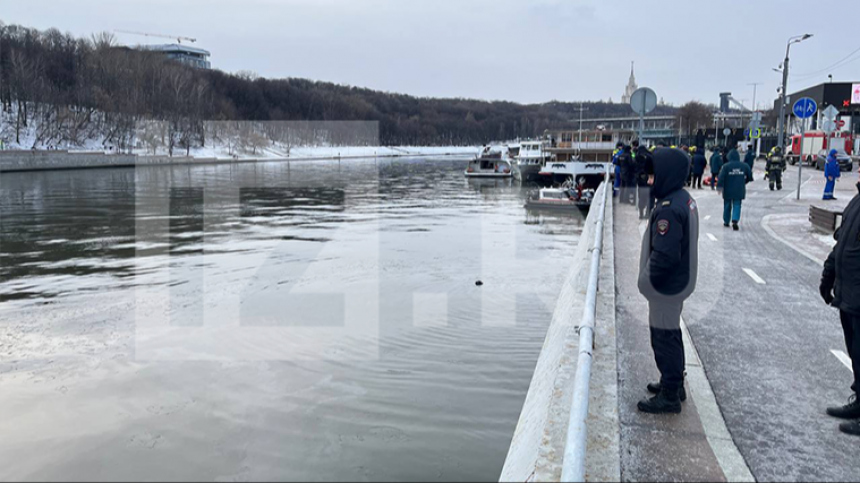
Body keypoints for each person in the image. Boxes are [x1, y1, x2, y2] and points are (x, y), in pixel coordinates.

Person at [637, 148, 699, 414]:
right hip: (678, 284)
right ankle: (673, 382)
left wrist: (646, 283)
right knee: (671, 334)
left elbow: (664, 254)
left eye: (653, 175)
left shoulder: (668, 210)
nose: (650, 181)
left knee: (663, 338)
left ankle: (670, 395)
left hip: (666, 287)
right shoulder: (683, 199)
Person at [821, 180, 860, 436]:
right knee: (856, 350)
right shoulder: (856, 201)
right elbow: (841, 242)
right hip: (849, 294)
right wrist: (829, 273)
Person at [717, 149, 753, 231]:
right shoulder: (744, 166)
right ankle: (735, 220)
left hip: (728, 189)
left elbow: (721, 177)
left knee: (727, 205)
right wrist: (744, 181)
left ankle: (726, 221)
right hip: (739, 189)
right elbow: (750, 176)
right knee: (737, 204)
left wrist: (719, 187)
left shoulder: (726, 166)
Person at [634, 140, 655, 219]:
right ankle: (648, 213)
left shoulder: (637, 156)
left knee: (642, 196)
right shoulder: (650, 156)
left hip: (640, 180)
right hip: (649, 178)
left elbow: (634, 168)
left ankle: (641, 213)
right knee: (650, 196)